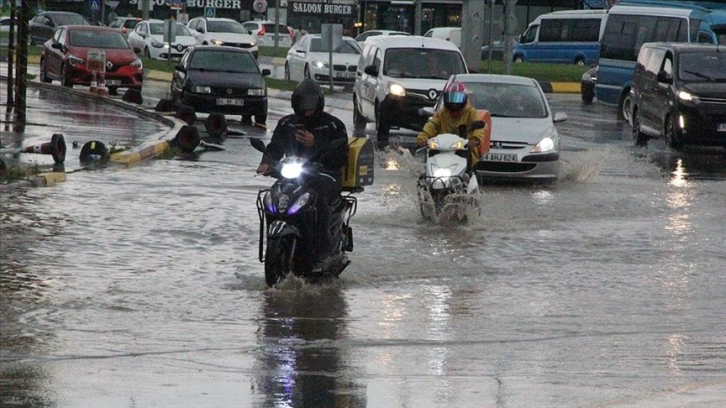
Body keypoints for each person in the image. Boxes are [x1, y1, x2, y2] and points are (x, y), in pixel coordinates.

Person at [256, 79, 349, 268]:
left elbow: (341, 155)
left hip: (325, 175)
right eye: (302, 105)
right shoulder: (286, 123)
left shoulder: (333, 126)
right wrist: (267, 162)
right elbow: (276, 147)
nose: (306, 110)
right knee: (272, 196)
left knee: (319, 197)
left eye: (310, 106)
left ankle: (323, 249)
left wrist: (315, 143)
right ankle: (273, 244)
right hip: (294, 174)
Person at [416, 80, 487, 169]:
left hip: (464, 151)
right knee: (424, 173)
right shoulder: (441, 113)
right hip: (441, 150)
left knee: (467, 175)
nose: (454, 103)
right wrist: (423, 137)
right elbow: (432, 125)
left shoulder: (472, 113)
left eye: (458, 98)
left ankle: (467, 179)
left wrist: (475, 139)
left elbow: (478, 129)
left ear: (464, 98)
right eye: (451, 98)